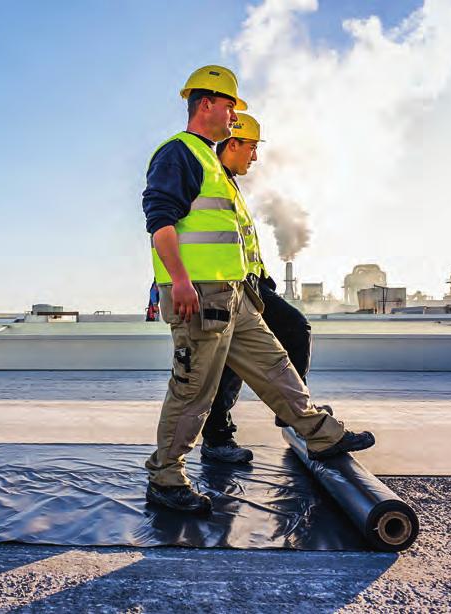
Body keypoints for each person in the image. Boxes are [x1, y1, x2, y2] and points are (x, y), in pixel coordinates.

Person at [141, 65, 375, 514]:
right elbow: (160, 222)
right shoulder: (179, 154)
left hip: (234, 295)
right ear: (206, 102)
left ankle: (321, 435)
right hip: (202, 296)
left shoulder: (210, 160)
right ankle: (166, 477)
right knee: (193, 389)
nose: (234, 116)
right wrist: (181, 281)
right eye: (230, 106)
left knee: (276, 366)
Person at [199, 113, 315, 463]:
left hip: (250, 284)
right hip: (221, 284)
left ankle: (291, 410)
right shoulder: (210, 178)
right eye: (251, 147)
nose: (255, 156)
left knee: (291, 331)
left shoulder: (228, 183)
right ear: (232, 144)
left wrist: (262, 276)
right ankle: (219, 437)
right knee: (230, 364)